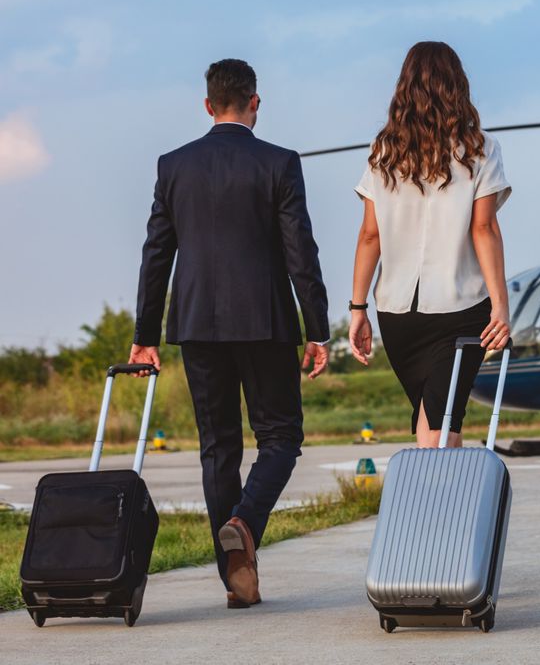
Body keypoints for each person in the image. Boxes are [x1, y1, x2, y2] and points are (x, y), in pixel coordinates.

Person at [128, 59, 330, 609]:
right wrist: (317, 329)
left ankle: (235, 579)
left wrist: (146, 333)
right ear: (254, 102)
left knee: (217, 448)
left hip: (196, 324)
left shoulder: (174, 165)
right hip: (266, 323)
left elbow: (156, 254)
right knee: (281, 437)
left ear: (207, 105)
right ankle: (245, 522)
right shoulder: (279, 162)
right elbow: (300, 251)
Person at [348, 42, 511, 448]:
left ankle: (435, 490)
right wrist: (500, 305)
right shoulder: (481, 148)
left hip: (397, 312)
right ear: (458, 85)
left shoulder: (383, 151)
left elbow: (370, 235)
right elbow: (484, 229)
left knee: (433, 419)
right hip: (461, 306)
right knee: (441, 426)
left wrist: (357, 308)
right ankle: (441, 491)